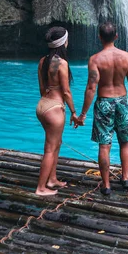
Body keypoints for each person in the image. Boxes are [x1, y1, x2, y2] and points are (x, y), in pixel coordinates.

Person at [76, 22, 128, 195]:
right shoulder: (126, 57)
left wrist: (83, 114)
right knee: (124, 142)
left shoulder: (95, 60)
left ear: (99, 37)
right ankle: (125, 178)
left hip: (104, 102)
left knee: (104, 146)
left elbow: (91, 88)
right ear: (117, 36)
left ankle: (106, 185)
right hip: (123, 102)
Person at [35, 26, 80, 196]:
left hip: (42, 105)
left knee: (56, 144)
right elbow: (66, 92)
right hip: (54, 108)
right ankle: (40, 188)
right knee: (50, 148)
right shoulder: (61, 63)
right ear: (63, 43)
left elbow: (41, 88)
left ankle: (52, 179)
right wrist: (74, 113)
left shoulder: (43, 61)